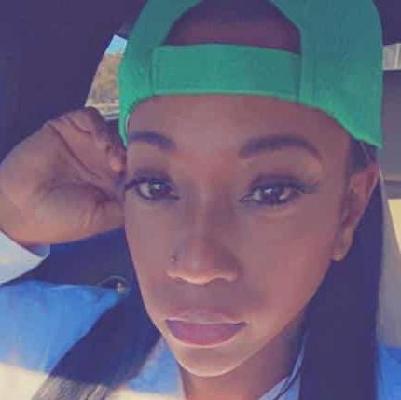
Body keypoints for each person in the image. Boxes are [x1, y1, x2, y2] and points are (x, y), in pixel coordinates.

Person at [0, 1, 400, 399]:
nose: (198, 266)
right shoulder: (40, 346)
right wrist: (8, 218)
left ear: (349, 209)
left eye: (271, 193)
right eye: (155, 186)